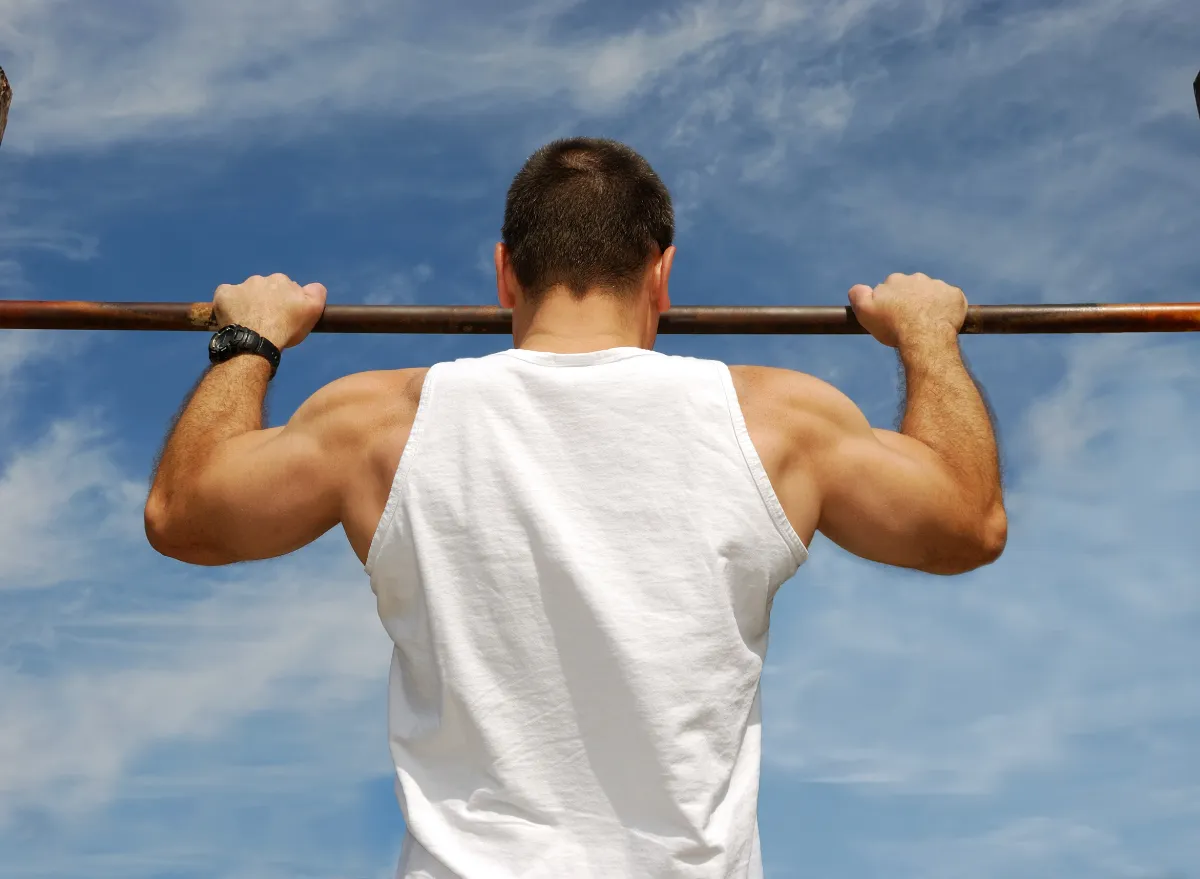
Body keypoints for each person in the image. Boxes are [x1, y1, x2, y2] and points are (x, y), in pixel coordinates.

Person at [145, 137, 1006, 878]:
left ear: (504, 272)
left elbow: (184, 514)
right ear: (661, 271)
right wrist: (927, 337)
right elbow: (967, 523)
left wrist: (247, 340)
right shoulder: (780, 421)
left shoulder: (378, 420)